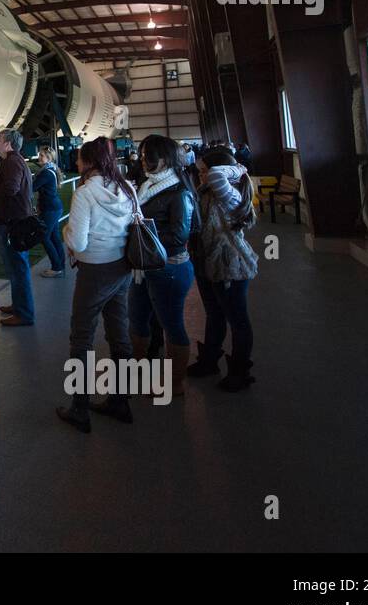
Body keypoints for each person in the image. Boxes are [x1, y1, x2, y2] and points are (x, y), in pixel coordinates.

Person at [56, 136, 136, 432]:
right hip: (122, 268)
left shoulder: (86, 193)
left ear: (88, 162)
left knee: (82, 338)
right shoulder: (126, 187)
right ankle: (120, 399)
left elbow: (78, 241)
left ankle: (79, 407)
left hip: (94, 271)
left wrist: (66, 230)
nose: (76, 163)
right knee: (119, 335)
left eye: (79, 159)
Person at [127, 134, 196, 399]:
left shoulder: (178, 192)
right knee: (137, 319)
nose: (143, 161)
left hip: (169, 269)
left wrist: (140, 236)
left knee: (172, 324)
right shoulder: (148, 186)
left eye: (148, 157)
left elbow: (180, 235)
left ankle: (175, 383)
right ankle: (136, 369)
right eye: (142, 156)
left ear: (165, 159)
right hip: (144, 268)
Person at [187, 149, 259, 390]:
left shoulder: (229, 193)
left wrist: (239, 168)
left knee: (237, 320)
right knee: (214, 314)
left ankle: (239, 371)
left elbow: (218, 175)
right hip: (207, 262)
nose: (202, 175)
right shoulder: (206, 191)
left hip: (229, 264)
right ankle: (209, 360)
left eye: (204, 171)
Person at [0, 128, 35, 327]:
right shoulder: (13, 161)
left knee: (18, 268)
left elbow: (11, 188)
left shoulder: (12, 162)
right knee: (15, 267)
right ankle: (19, 306)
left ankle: (24, 313)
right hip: (12, 221)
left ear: (7, 143)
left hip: (13, 223)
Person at [34, 145, 66, 278]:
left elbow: (33, 187)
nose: (39, 157)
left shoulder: (46, 173)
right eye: (39, 155)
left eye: (41, 155)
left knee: (44, 236)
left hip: (50, 209)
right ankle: (60, 265)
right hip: (54, 208)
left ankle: (57, 267)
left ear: (48, 158)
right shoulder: (50, 169)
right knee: (54, 237)